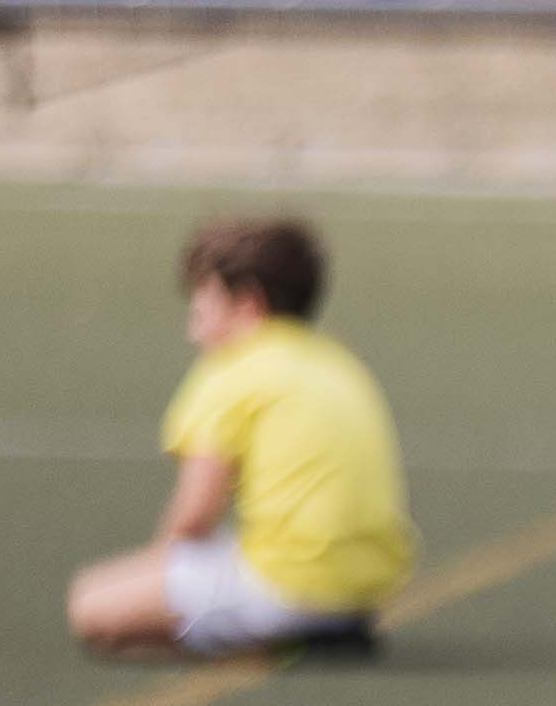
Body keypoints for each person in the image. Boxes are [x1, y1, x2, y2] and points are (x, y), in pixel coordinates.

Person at [69, 215, 409, 660]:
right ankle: (319, 625)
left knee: (91, 604)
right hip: (370, 584)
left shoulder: (232, 370)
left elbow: (193, 518)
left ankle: (272, 634)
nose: (193, 325)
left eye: (202, 304)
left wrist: (159, 578)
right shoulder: (339, 361)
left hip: (289, 584)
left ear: (247, 303)